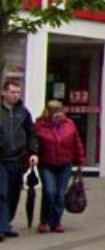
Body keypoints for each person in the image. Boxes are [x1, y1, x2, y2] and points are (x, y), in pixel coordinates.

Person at [33, 100, 84, 233]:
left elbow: (76, 142)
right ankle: (44, 220)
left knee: (60, 194)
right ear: (49, 113)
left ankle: (56, 222)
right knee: (49, 192)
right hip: (46, 164)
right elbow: (33, 144)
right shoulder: (39, 126)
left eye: (61, 112)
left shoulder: (69, 124)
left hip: (64, 164)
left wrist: (80, 161)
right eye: (55, 113)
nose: (59, 115)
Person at [0, 80, 38, 241]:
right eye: (12, 92)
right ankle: (1, 227)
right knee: (1, 192)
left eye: (17, 92)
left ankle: (6, 224)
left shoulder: (23, 112)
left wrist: (33, 152)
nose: (15, 95)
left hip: (16, 158)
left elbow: (31, 132)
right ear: (3, 92)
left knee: (13, 193)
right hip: (1, 158)